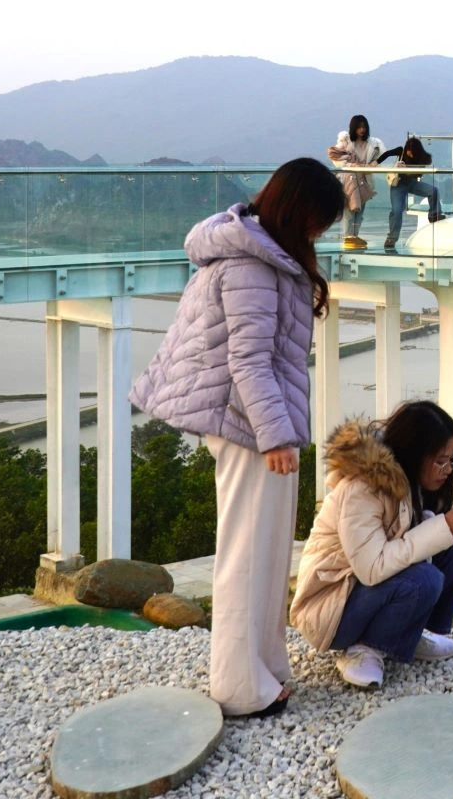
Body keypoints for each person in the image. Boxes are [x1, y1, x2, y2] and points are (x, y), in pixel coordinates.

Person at [131, 157, 343, 718]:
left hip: (259, 424)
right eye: (320, 220)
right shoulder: (251, 264)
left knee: (269, 553)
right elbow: (248, 360)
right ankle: (237, 686)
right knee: (247, 555)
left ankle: (265, 670)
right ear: (300, 210)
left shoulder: (266, 254)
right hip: (247, 425)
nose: (321, 232)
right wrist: (275, 436)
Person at [290, 400, 453, 690]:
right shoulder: (361, 489)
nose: (447, 470)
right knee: (423, 579)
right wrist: (445, 526)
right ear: (415, 453)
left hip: (363, 592)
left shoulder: (413, 483)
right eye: (441, 460)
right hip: (333, 608)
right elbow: (371, 569)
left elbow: (417, 538)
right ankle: (364, 648)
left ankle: (411, 635)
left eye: (451, 461)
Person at [378, 135, 446, 252]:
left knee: (433, 191)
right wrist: (375, 163)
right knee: (397, 210)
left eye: (412, 151)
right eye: (408, 150)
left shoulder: (422, 158)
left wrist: (410, 170)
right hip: (398, 183)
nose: (409, 153)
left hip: (411, 182)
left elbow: (419, 174)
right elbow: (387, 154)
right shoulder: (401, 151)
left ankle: (434, 215)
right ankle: (392, 238)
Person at [327, 115, 384, 250]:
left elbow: (381, 156)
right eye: (359, 127)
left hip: (364, 179)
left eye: (364, 127)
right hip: (349, 179)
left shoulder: (372, 143)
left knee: (360, 211)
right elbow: (334, 156)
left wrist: (372, 166)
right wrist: (348, 164)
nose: (362, 130)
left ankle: (355, 237)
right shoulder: (346, 141)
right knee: (349, 210)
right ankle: (348, 237)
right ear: (354, 128)